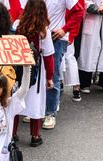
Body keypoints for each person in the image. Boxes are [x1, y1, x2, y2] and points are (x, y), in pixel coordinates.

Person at [12, 0, 55, 147]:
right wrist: (50, 77)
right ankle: (35, 135)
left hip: (18, 67)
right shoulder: (44, 31)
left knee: (16, 98)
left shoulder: (17, 25)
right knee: (35, 101)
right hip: (36, 69)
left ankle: (12, 133)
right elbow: (49, 56)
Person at [41, 0, 78, 129]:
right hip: (38, 35)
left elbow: (78, 11)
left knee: (53, 74)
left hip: (56, 37)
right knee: (37, 73)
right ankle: (38, 109)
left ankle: (50, 113)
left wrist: (65, 29)